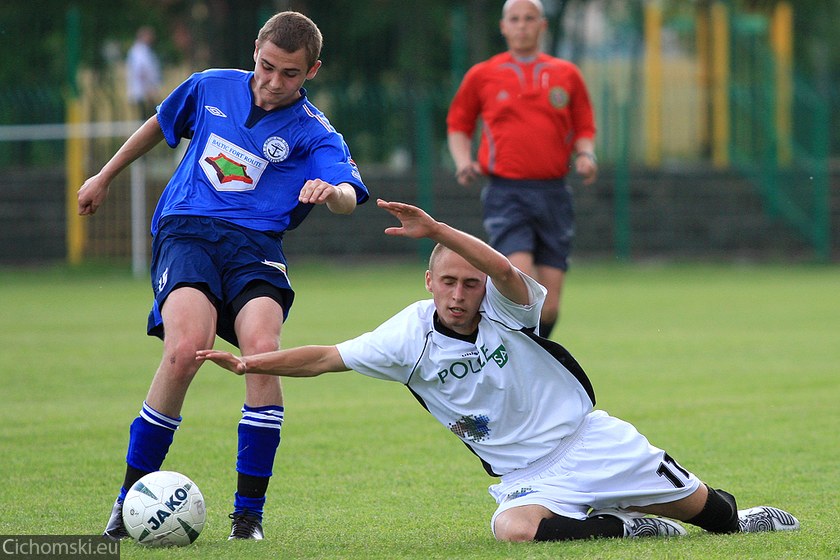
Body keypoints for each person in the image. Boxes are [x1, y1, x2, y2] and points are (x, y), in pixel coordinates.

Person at [197, 199, 800, 543]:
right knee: (511, 529)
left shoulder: (507, 309)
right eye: (448, 282)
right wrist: (251, 360)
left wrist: (436, 229)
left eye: (470, 283)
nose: (459, 294)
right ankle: (629, 530)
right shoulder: (407, 336)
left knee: (714, 521)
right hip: (527, 476)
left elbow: (510, 274)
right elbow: (326, 357)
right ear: (428, 282)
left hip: (587, 439)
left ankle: (742, 515)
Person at [78, 11, 369, 541]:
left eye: (290, 74)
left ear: (312, 71)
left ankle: (248, 517)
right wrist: (103, 176)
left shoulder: (314, 132)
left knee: (262, 349)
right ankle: (127, 503)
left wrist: (333, 195)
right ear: (255, 50)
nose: (274, 82)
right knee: (186, 347)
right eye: (267, 67)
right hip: (187, 230)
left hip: (256, 247)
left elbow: (350, 194)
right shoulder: (210, 86)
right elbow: (156, 127)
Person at [446, 0, 598, 340]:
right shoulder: (483, 74)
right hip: (506, 193)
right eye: (514, 19)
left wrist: (586, 154)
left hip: (554, 194)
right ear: (503, 26)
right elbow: (458, 124)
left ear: (542, 26)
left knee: (550, 306)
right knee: (525, 290)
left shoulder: (566, 74)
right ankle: (509, 359)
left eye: (529, 19)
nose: (522, 25)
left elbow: (585, 127)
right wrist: (462, 161)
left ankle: (535, 354)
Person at [126, 26, 163, 119]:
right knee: (146, 117)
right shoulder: (139, 52)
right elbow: (141, 71)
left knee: (148, 116)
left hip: (145, 90)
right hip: (144, 91)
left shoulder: (143, 50)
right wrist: (148, 89)